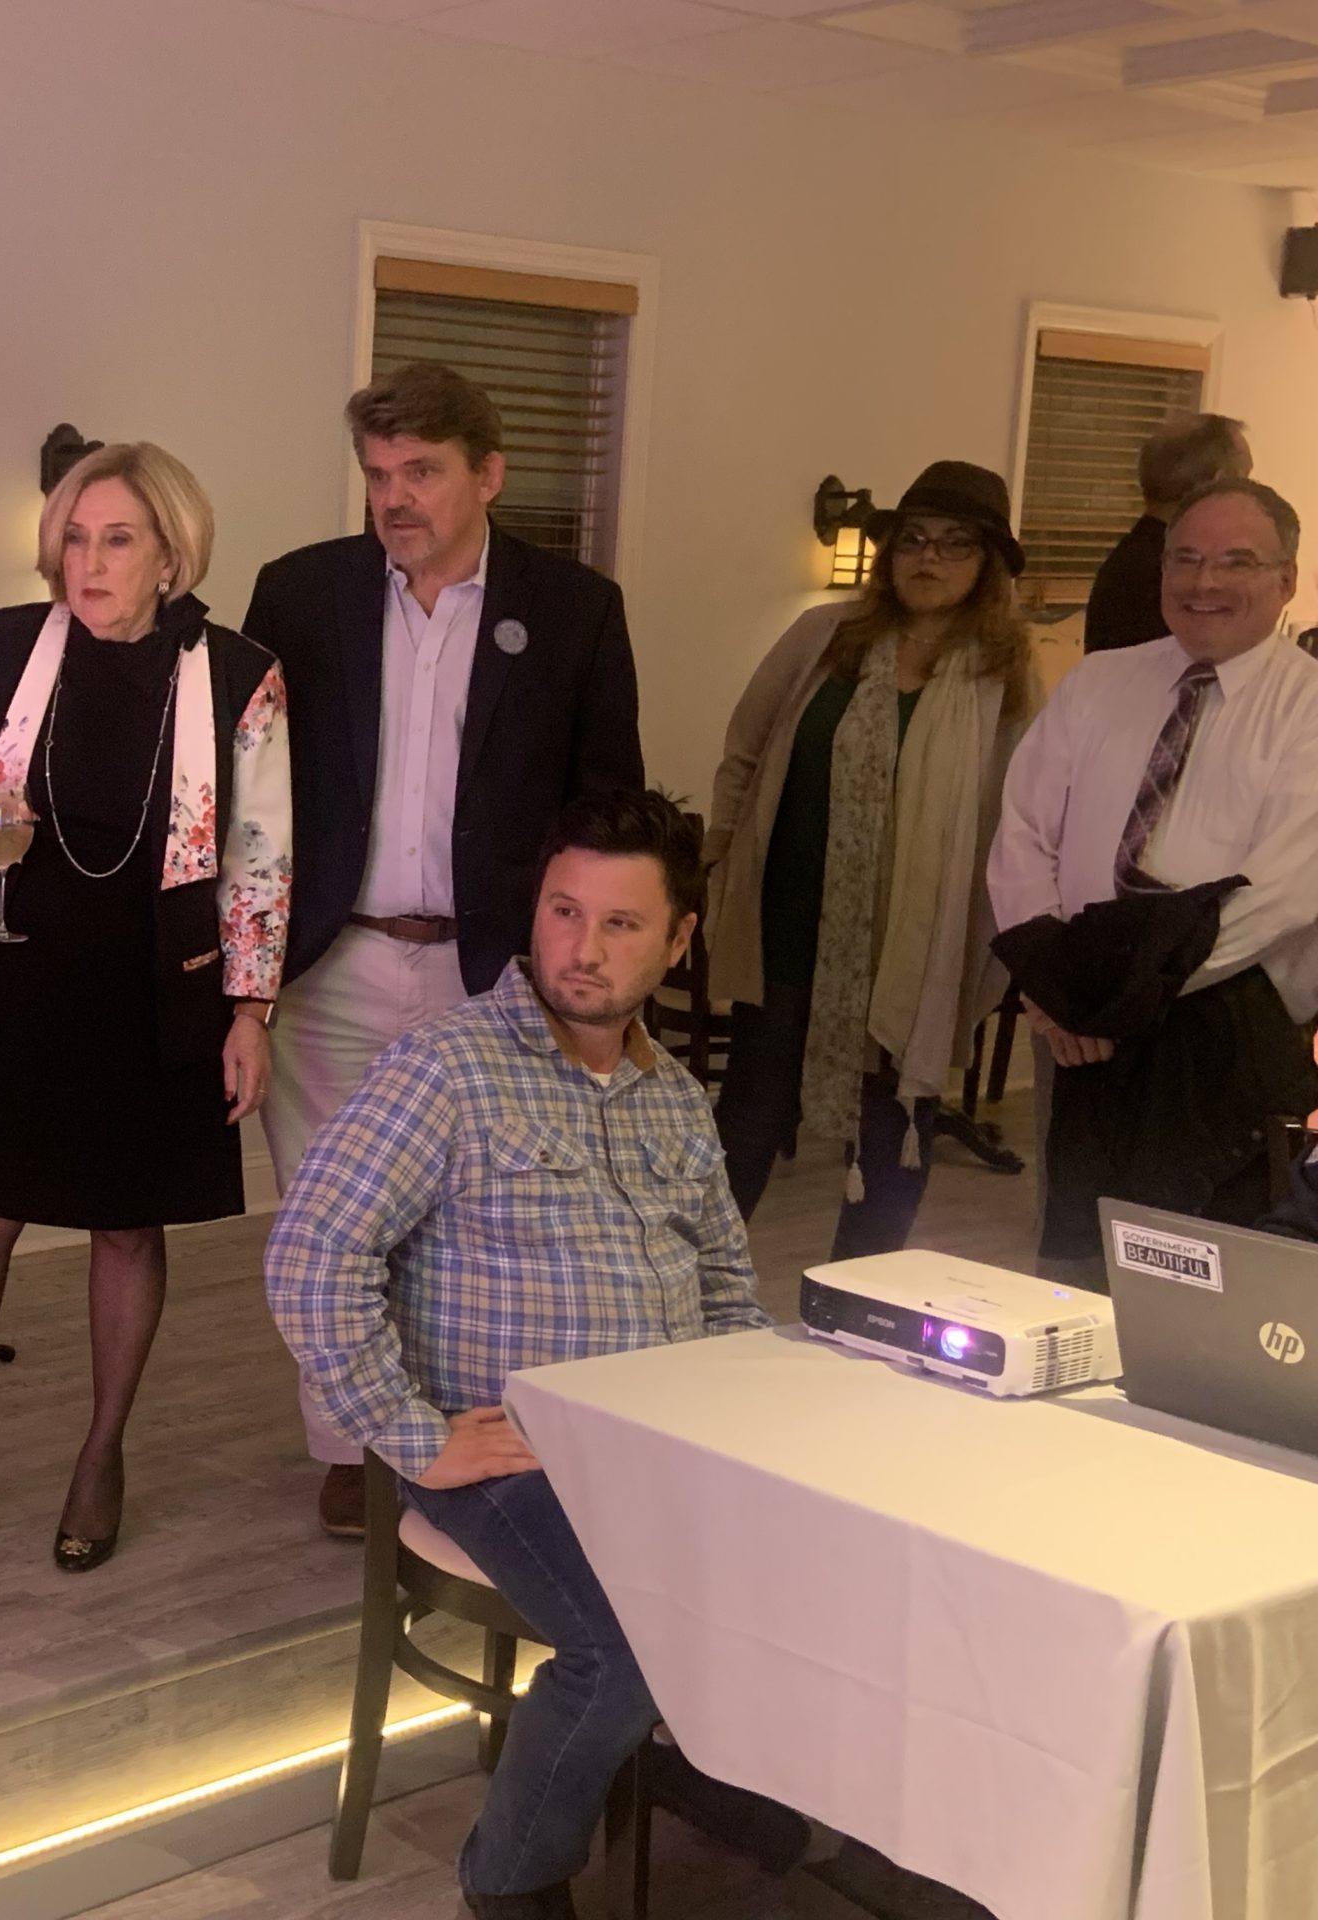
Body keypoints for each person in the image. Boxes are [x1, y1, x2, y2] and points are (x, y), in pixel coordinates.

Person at [266, 790, 767, 1920]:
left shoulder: (676, 1099)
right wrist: (412, 1436)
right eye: (562, 911)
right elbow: (309, 1257)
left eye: (621, 924)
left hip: (663, 1436)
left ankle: (700, 1777)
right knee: (620, 1650)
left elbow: (730, 1289)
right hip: (505, 1453)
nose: (580, 951)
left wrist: (767, 1436)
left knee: (828, 1565)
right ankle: (510, 1880)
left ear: (679, 939)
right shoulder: (447, 1069)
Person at [241, 360, 642, 1537]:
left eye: (421, 471)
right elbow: (252, 789)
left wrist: (601, 973)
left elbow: (603, 802)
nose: (394, 498)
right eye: (377, 475)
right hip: (336, 961)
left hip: (495, 972)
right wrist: (246, 972)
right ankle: (359, 1448)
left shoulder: (573, 609)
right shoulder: (301, 594)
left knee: (484, 1216)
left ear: (488, 474)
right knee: (332, 1220)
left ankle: (482, 1433)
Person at [0, 442, 291, 1579]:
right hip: (13, 967)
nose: (88, 560)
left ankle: (101, 1451)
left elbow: (261, 855)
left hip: (154, 985)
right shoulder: (5, 641)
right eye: (74, 536)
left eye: (116, 539)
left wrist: (249, 1009)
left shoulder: (241, 671)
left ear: (171, 552)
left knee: (126, 1225)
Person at [990, 478, 1318, 1282]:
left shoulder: (1310, 708)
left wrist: (1109, 991)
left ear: (1287, 581)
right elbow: (1022, 834)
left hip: (1225, 1035)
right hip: (1077, 1029)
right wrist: (1054, 981)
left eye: (1235, 561)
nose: (1204, 583)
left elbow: (1281, 893)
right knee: (1076, 1269)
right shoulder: (1099, 682)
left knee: (1202, 1296)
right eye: (1186, 559)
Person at [704, 461, 1037, 1254]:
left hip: (910, 945)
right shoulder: (825, 638)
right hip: (788, 920)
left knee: (893, 1124)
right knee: (748, 1113)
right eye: (913, 540)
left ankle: (858, 1304)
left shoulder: (1003, 676)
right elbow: (745, 752)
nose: (929, 558)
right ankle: (689, 1290)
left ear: (987, 564)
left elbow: (1019, 814)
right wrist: (717, 862)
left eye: (955, 545)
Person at [1083, 413, 1251, 655]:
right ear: (1218, 483)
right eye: (1244, 480)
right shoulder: (1173, 574)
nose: (1248, 497)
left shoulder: (1132, 559)